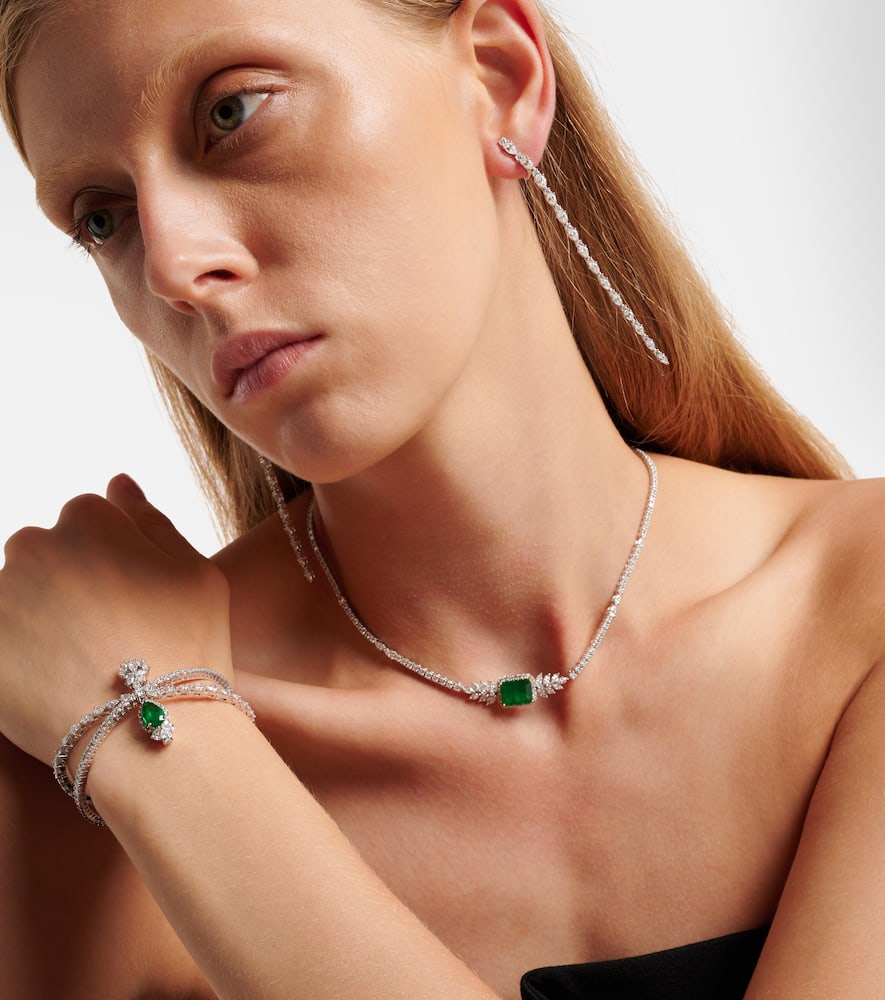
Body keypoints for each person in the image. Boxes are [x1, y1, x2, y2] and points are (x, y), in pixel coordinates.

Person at [0, 1, 882, 997]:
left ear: (502, 79)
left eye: (231, 112)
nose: (172, 267)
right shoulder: (66, 756)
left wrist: (172, 744)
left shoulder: (862, 610)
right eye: (103, 217)